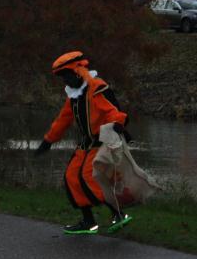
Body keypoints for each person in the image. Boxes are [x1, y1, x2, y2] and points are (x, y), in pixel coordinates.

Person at [34, 50, 132, 235]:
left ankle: (119, 214)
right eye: (63, 78)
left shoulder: (96, 87)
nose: (65, 81)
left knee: (90, 177)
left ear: (78, 72)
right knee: (71, 177)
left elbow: (112, 110)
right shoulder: (74, 95)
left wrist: (118, 123)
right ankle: (89, 222)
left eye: (67, 76)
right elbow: (63, 119)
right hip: (87, 142)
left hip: (104, 139)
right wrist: (48, 140)